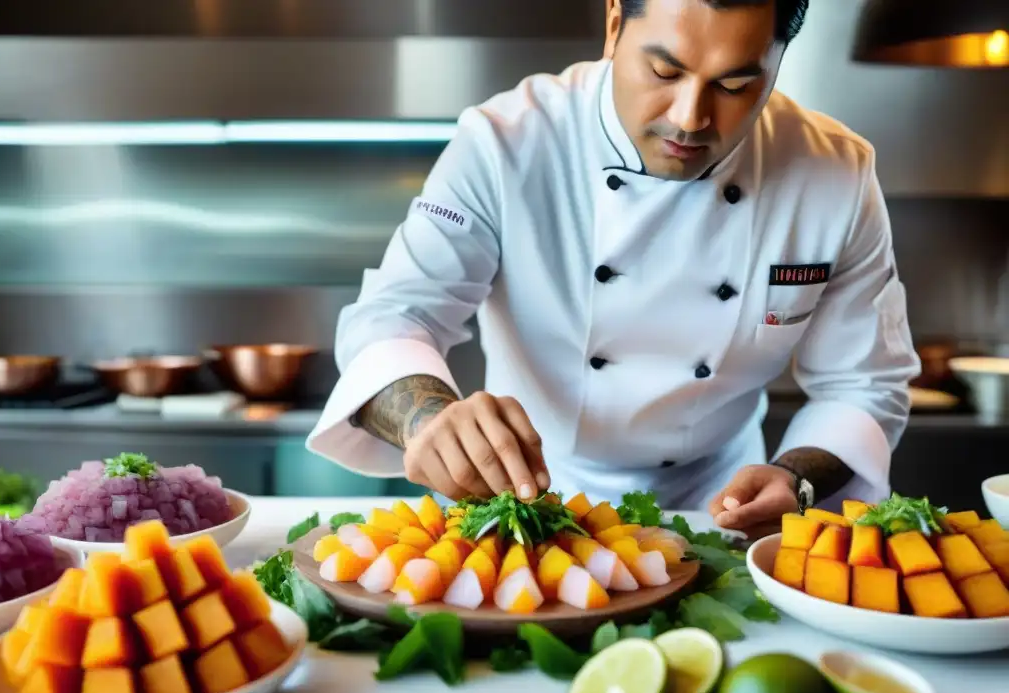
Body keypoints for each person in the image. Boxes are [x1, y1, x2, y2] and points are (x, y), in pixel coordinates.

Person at [306, 0, 920, 533]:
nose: (689, 117)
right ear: (613, 25)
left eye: (734, 85)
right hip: (525, 503)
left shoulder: (833, 172)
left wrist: (795, 479)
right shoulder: (507, 143)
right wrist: (428, 421)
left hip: (720, 511)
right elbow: (395, 316)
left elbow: (862, 383)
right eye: (664, 69)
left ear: (777, 61)